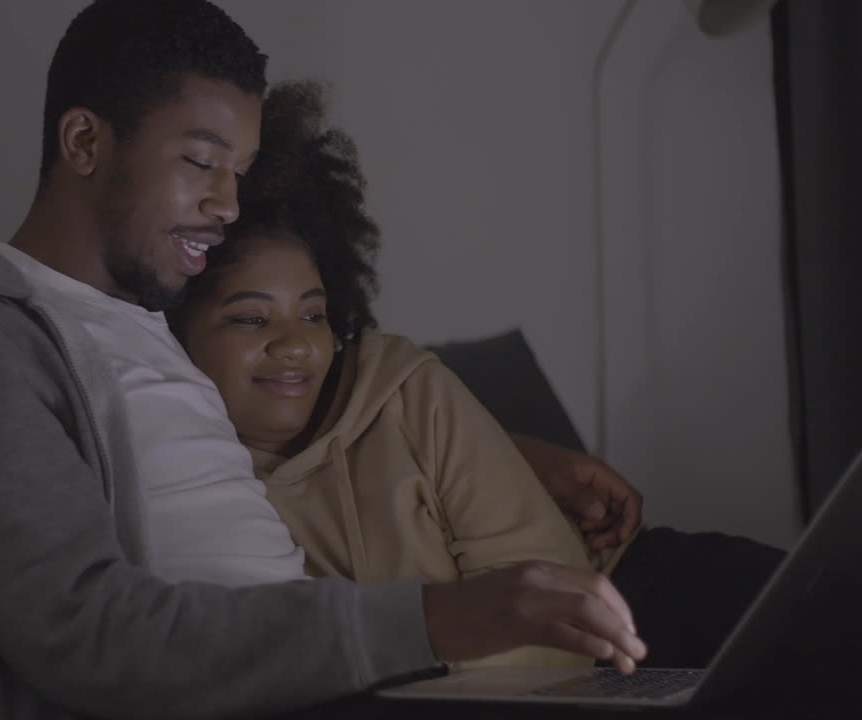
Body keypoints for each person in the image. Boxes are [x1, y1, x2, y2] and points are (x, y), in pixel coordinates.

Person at [0, 2, 644, 718]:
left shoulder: (158, 324)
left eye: (238, 172)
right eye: (201, 163)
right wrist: (440, 618)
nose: (228, 206)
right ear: (85, 142)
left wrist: (517, 457)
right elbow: (87, 636)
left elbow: (317, 421)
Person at [170, 79, 785, 672]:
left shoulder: (407, 390)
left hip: (631, 596)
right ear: (174, 332)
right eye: (250, 318)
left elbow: (559, 623)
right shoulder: (190, 489)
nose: (295, 345)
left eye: (313, 313)